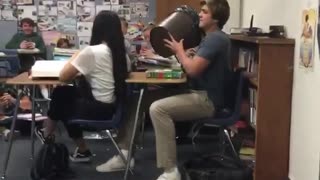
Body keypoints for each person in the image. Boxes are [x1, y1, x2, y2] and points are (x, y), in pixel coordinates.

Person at [150, 0, 232, 179]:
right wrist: (189, 54)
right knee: (145, 98)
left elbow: (193, 70)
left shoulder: (215, 39)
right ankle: (125, 151)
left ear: (216, 18)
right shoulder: (212, 38)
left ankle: (170, 171)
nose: (199, 15)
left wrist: (180, 52)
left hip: (207, 101)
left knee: (158, 109)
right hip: (200, 95)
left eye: (205, 12)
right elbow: (195, 63)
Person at [35, 10, 129, 163]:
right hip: (113, 108)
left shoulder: (92, 51)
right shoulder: (121, 54)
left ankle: (48, 132)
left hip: (98, 111)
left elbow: (63, 77)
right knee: (64, 93)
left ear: (97, 28)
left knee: (61, 97)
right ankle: (55, 135)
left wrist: (76, 55)